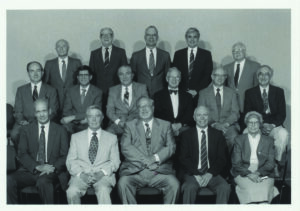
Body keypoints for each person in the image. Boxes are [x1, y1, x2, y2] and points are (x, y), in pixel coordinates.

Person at [117, 96, 179, 204]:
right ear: (137, 110)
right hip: (135, 172)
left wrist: (154, 158)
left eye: (147, 106)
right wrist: (147, 161)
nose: (144, 109)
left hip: (159, 172)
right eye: (140, 107)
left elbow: (171, 147)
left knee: (174, 184)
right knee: (123, 183)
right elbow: (126, 147)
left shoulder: (165, 125)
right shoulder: (130, 126)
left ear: (153, 108)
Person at [7, 98, 69, 204]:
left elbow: (65, 155)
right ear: (35, 113)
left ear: (49, 111)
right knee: (7, 180)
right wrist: (37, 167)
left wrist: (51, 167)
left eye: (44, 111)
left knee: (43, 182)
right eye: (38, 112)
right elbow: (22, 153)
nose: (42, 115)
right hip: (31, 170)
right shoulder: (26, 130)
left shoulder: (60, 130)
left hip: (51, 170)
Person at [66, 105, 120, 204]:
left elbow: (115, 162)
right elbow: (70, 161)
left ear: (102, 117)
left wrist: (101, 173)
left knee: (103, 191)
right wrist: (81, 175)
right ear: (86, 118)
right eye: (91, 116)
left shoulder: (112, 138)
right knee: (71, 191)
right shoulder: (76, 137)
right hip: (81, 174)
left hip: (103, 176)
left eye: (97, 116)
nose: (94, 119)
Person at [179, 106, 231, 204]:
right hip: (192, 173)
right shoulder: (186, 135)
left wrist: (209, 173)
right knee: (189, 187)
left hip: (212, 173)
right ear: (194, 117)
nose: (202, 118)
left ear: (209, 117)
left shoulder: (218, 135)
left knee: (224, 187)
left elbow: (222, 159)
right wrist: (196, 173)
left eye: (205, 115)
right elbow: (183, 158)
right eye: (199, 115)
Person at [244, 65, 288, 173]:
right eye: (260, 74)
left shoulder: (278, 92)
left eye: (266, 74)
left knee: (283, 134)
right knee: (245, 133)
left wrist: (272, 125)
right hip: (257, 125)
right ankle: (254, 165)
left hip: (274, 125)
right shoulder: (250, 92)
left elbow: (282, 113)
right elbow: (248, 113)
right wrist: (260, 125)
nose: (263, 77)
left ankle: (275, 163)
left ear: (270, 76)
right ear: (257, 76)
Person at [231, 111, 279, 204]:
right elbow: (236, 163)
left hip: (265, 173)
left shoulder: (269, 141)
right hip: (243, 172)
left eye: (256, 122)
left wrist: (257, 173)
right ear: (246, 124)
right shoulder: (239, 140)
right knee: (249, 190)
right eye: (250, 122)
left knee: (264, 190)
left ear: (260, 124)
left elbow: (270, 164)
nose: (253, 125)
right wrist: (249, 174)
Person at [10, 61, 58, 147]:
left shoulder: (51, 90)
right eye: (32, 71)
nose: (35, 74)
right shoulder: (21, 90)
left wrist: (39, 122)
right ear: (28, 73)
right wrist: (22, 121)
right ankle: (21, 154)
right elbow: (17, 111)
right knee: (14, 134)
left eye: (38, 70)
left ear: (42, 72)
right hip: (24, 122)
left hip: (44, 121)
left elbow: (53, 111)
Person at [89, 27, 128, 127]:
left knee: (114, 119)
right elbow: (91, 75)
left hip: (116, 92)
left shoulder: (121, 52)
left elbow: (125, 73)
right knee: (100, 118)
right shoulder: (94, 53)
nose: (106, 37)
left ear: (112, 36)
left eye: (109, 34)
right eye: (103, 35)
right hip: (99, 92)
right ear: (100, 37)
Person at [198, 67, 239, 152]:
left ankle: (227, 163)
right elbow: (201, 113)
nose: (220, 78)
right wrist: (214, 124)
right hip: (209, 125)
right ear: (212, 76)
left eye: (223, 75)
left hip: (228, 126)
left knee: (233, 137)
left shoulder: (232, 93)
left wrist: (225, 124)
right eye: (217, 75)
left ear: (225, 77)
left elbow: (235, 113)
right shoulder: (203, 93)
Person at [172, 27, 213, 106]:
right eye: (189, 37)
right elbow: (175, 74)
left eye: (195, 37)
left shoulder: (206, 54)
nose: (192, 39)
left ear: (198, 38)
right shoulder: (178, 54)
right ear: (186, 38)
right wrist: (182, 90)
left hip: (199, 94)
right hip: (181, 92)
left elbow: (208, 76)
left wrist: (197, 90)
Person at [223, 42, 260, 128]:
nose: (237, 52)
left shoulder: (255, 66)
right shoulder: (226, 67)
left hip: (248, 106)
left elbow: (257, 88)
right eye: (234, 51)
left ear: (245, 51)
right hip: (231, 108)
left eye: (240, 50)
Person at [106, 65, 148, 136]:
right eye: (121, 74)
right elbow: (109, 110)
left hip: (137, 122)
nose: (124, 77)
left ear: (132, 75)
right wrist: (119, 122)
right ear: (118, 76)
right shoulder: (113, 90)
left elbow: (146, 108)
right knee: (108, 134)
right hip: (119, 123)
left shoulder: (141, 88)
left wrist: (137, 121)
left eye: (127, 73)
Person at [130, 25, 171, 98]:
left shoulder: (165, 55)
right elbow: (133, 78)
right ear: (145, 37)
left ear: (157, 37)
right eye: (148, 35)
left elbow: (168, 77)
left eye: (154, 35)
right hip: (141, 95)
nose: (151, 37)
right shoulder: (136, 56)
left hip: (161, 95)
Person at [61, 65, 102, 134]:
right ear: (77, 77)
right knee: (64, 128)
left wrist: (74, 117)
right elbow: (66, 111)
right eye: (81, 75)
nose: (83, 77)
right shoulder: (70, 91)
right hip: (72, 123)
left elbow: (95, 112)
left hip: (89, 121)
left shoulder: (97, 92)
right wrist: (76, 119)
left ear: (90, 77)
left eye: (86, 75)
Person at [44, 39, 82, 112]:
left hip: (73, 100)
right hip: (54, 101)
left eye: (64, 46)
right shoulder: (49, 64)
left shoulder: (76, 62)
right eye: (58, 46)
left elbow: (80, 82)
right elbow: (45, 84)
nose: (61, 48)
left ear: (68, 48)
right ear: (56, 49)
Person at [154, 67, 194, 137]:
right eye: (171, 77)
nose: (174, 80)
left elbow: (189, 114)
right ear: (167, 79)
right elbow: (157, 114)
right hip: (164, 129)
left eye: (177, 77)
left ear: (180, 79)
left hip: (183, 129)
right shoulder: (158, 95)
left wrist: (180, 124)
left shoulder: (188, 96)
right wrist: (170, 125)